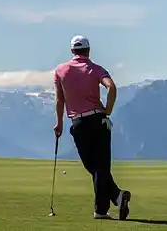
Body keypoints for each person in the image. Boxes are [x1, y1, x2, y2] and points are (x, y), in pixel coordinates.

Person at [53, 35, 131, 220]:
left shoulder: (60, 70)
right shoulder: (96, 69)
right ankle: (116, 198)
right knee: (100, 167)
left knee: (94, 167)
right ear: (88, 50)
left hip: (77, 124)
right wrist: (108, 110)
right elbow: (111, 88)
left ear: (72, 51)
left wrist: (59, 123)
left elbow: (59, 99)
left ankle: (104, 209)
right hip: (98, 121)